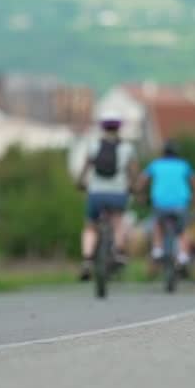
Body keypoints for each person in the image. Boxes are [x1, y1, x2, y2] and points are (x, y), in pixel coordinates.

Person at [76, 115, 139, 281]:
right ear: (119, 129)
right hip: (118, 193)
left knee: (90, 226)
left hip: (96, 193)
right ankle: (118, 251)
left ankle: (87, 259)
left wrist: (80, 183)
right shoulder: (127, 148)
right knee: (117, 222)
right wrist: (133, 187)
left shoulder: (94, 146)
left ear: (103, 129)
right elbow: (133, 173)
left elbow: (85, 169)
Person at [136, 140, 195, 272]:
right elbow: (194, 182)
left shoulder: (156, 164)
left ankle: (158, 250)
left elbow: (142, 180)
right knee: (183, 230)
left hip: (160, 202)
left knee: (157, 225)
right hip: (181, 203)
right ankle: (183, 255)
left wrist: (140, 195)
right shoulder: (184, 165)